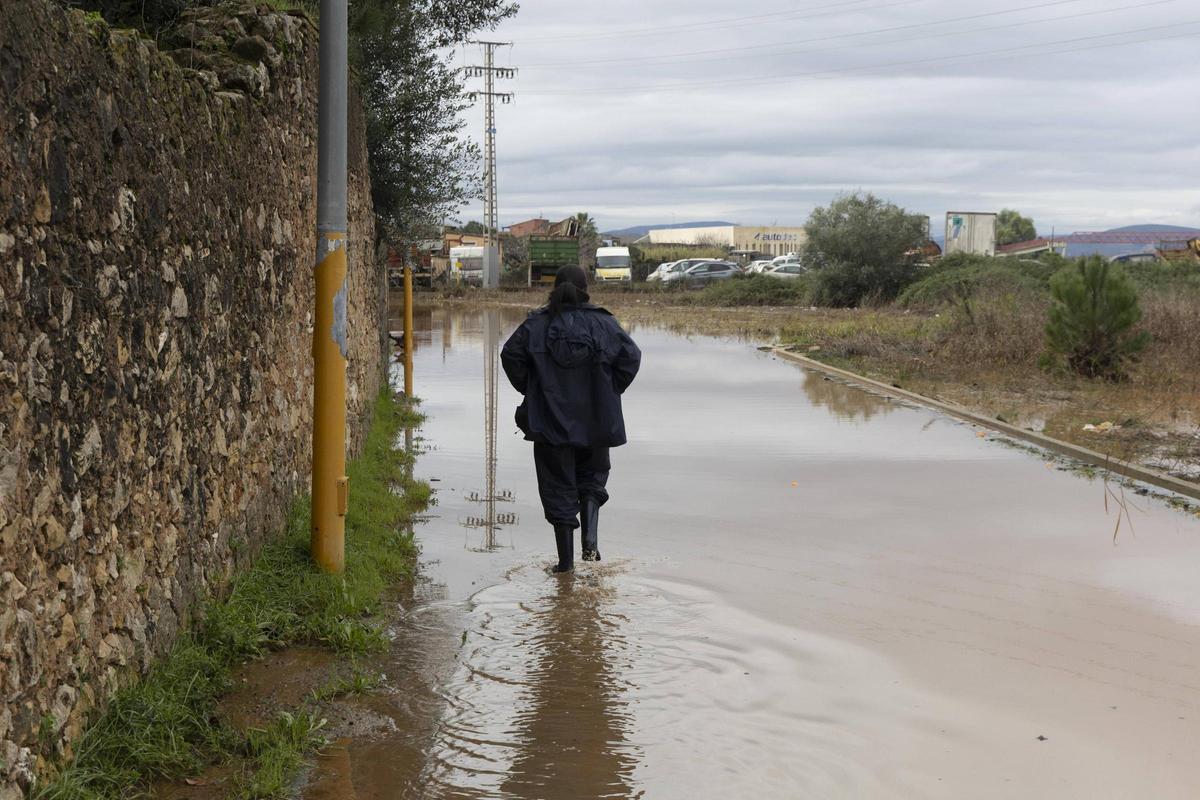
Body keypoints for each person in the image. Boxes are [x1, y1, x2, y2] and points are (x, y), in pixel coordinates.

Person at [501, 265, 641, 573]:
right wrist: (608, 391)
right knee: (592, 480)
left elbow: (510, 355)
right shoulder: (605, 323)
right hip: (597, 422)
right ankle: (590, 542)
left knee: (557, 488)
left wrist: (533, 389)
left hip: (551, 423)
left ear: (554, 288)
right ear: (586, 289)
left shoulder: (535, 325)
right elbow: (631, 357)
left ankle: (565, 566)